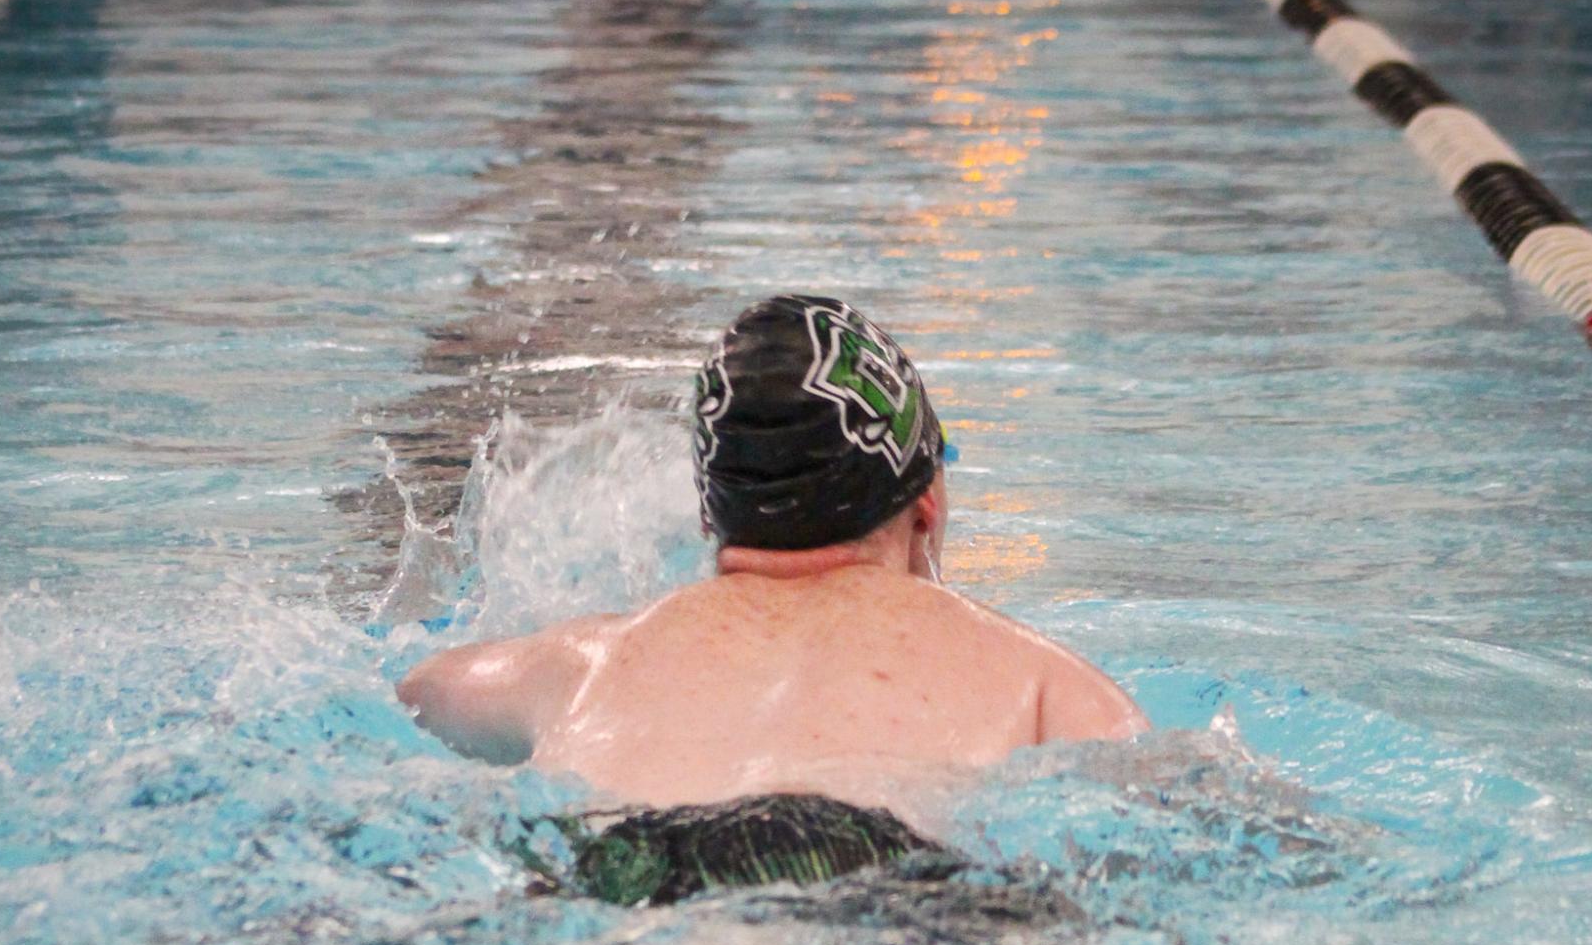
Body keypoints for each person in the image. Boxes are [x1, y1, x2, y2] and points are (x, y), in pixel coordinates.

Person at [397, 294, 1147, 904]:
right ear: (926, 502)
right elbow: (1160, 804)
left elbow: (416, 693)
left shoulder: (581, 660)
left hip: (629, 865)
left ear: (706, 515)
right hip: (883, 878)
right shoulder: (1038, 678)